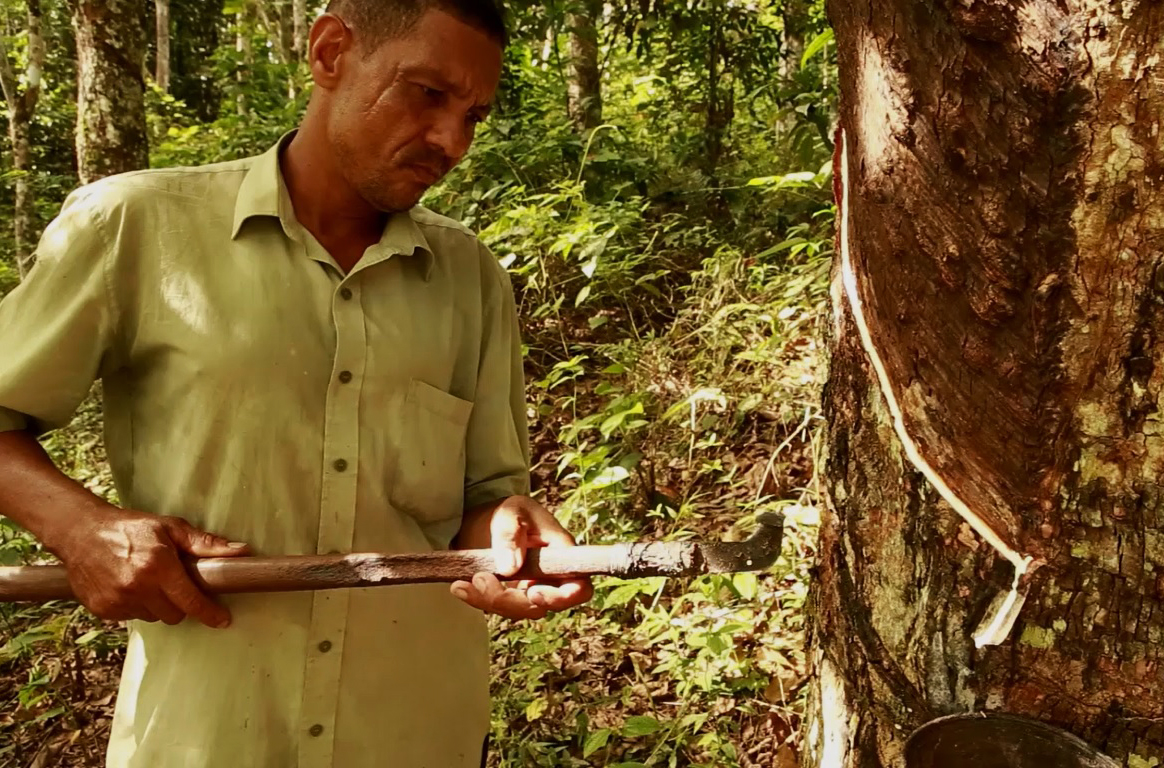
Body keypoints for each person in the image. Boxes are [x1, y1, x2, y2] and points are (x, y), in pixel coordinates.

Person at [0, 1, 592, 765]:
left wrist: (512, 539)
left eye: (474, 115)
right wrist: (81, 527)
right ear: (330, 51)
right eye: (427, 93)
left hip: (417, 735)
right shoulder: (136, 228)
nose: (452, 141)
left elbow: (482, 510)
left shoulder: (470, 277)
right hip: (207, 738)